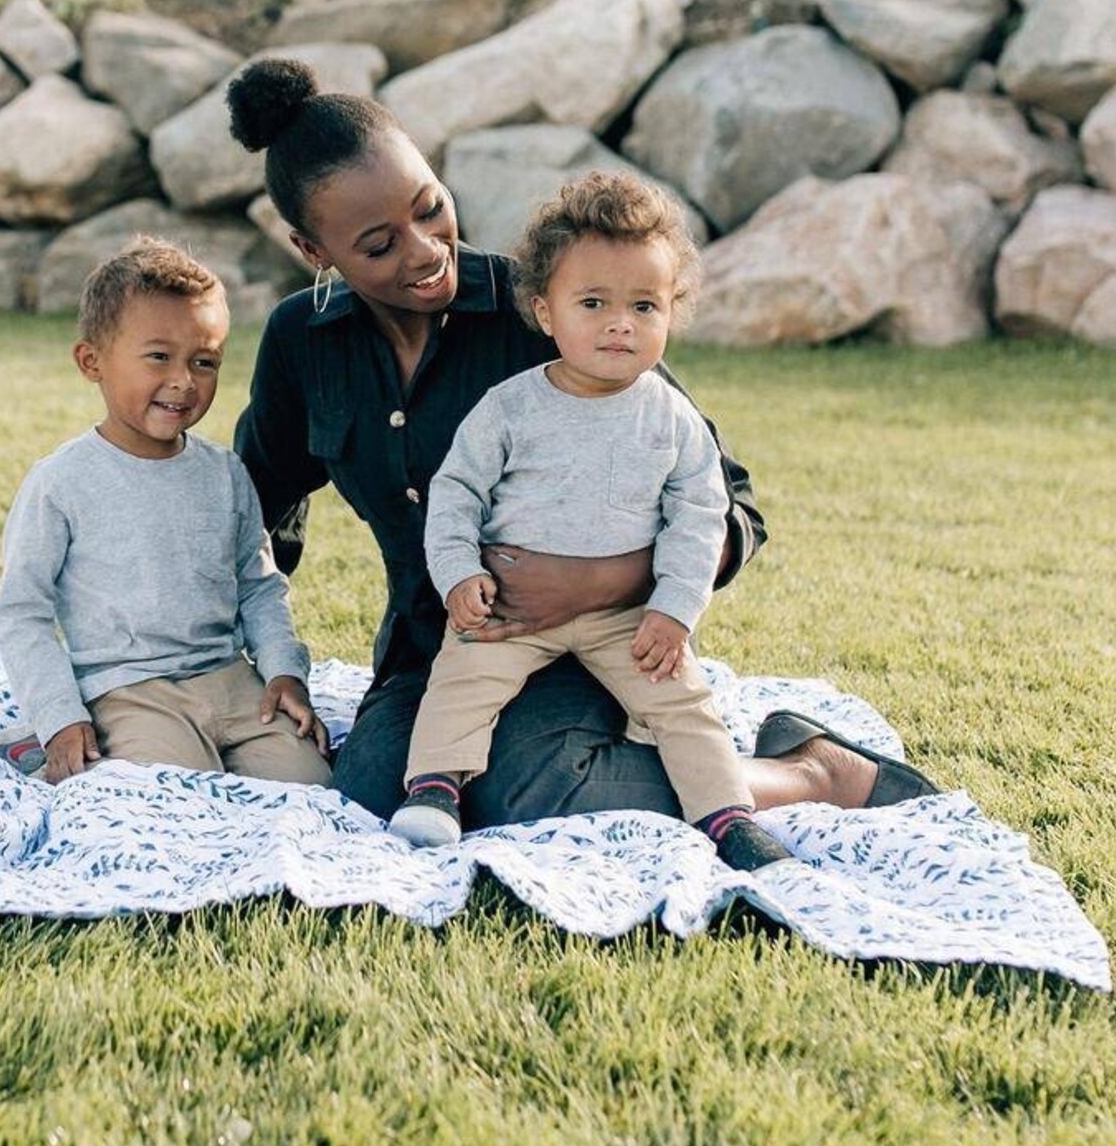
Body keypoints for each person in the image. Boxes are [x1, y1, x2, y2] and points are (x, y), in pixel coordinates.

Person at [228, 55, 938, 831]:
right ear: (313, 250)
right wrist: (260, 659)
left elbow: (732, 506)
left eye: (431, 208)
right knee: (369, 789)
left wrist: (603, 581)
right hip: (434, 652)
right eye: (378, 244)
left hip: (592, 650)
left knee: (533, 792)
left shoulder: (547, 312)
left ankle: (807, 771)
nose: (425, 249)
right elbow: (258, 507)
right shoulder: (304, 343)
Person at [389, 171, 789, 870]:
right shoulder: (511, 407)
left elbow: (703, 512)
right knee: (463, 678)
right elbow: (456, 494)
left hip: (625, 616)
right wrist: (459, 573)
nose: (620, 323)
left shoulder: (670, 417)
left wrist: (674, 609)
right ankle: (435, 789)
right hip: (508, 608)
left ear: (672, 312)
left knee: (682, 699)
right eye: (594, 302)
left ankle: (728, 816)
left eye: (644, 305)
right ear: (546, 312)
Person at [0, 237, 331, 789]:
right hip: (127, 689)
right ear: (91, 361)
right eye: (158, 357)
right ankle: (41, 745)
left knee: (309, 785)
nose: (183, 381)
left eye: (204, 361)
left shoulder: (224, 473)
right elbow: (20, 613)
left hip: (230, 681)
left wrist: (284, 671)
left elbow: (261, 587)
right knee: (173, 795)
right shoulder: (61, 482)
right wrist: (60, 717)